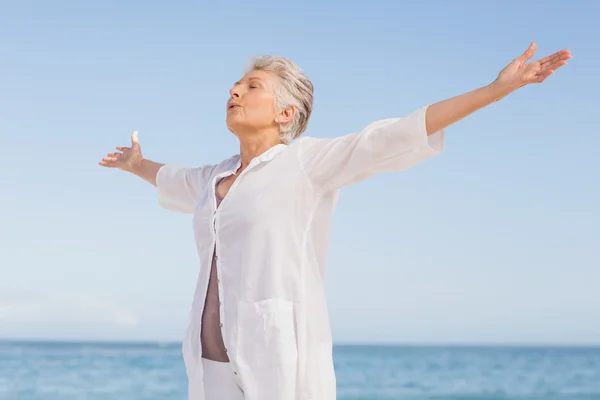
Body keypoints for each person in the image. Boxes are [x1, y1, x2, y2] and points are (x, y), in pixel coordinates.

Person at [99, 42, 571, 400]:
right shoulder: (214, 177)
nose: (234, 90)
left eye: (251, 86)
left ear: (285, 113)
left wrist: (495, 90)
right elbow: (171, 177)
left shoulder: (305, 163)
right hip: (208, 366)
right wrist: (136, 164)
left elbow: (395, 135)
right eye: (236, 85)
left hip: (278, 361)